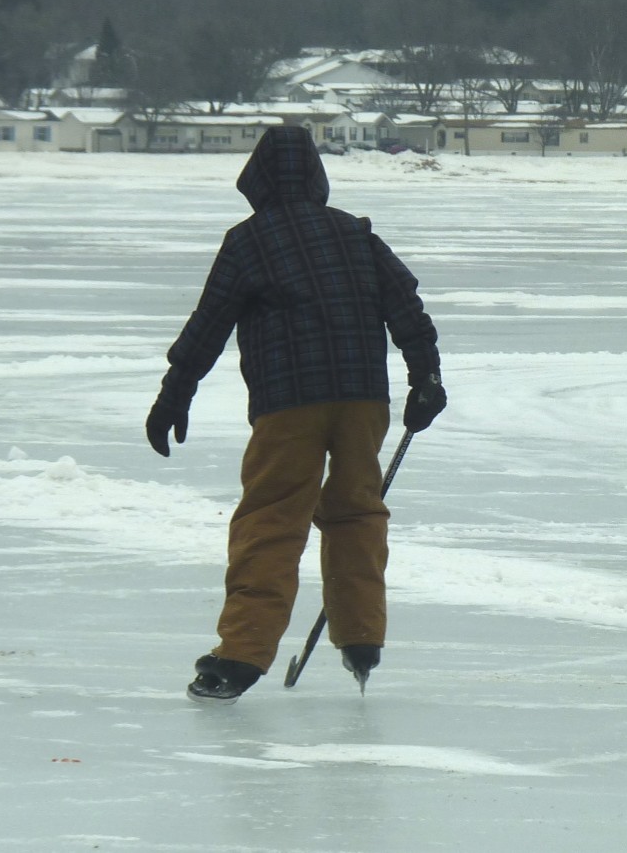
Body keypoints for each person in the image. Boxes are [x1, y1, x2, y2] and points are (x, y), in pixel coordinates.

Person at [145, 125, 445, 703]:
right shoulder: (356, 235)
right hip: (362, 398)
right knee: (356, 510)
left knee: (273, 517)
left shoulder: (249, 241)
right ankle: (361, 638)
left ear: (255, 179)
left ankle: (239, 656)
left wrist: (174, 394)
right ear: (315, 176)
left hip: (289, 403)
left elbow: (209, 324)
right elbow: (405, 305)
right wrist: (425, 376)